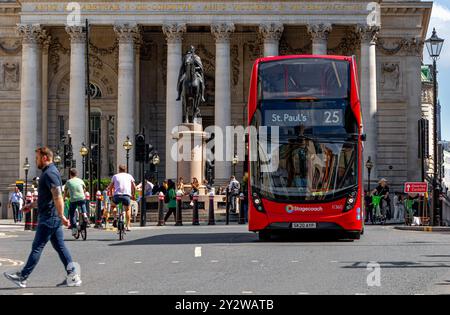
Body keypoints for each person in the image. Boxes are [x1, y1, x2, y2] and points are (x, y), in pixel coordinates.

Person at [4, 147, 81, 288]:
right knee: (60, 247)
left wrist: (61, 215)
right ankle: (73, 276)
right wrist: (32, 205)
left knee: (37, 247)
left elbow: (57, 196)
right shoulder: (48, 173)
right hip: (51, 216)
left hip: (49, 217)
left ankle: (23, 277)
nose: (36, 161)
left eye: (37, 158)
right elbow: (47, 198)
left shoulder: (50, 173)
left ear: (45, 157)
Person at [107, 165, 136, 232]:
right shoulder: (129, 176)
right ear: (125, 169)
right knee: (127, 210)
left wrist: (111, 194)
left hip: (117, 196)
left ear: (119, 169)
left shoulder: (115, 176)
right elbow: (134, 186)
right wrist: (133, 194)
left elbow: (110, 187)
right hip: (126, 196)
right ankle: (128, 226)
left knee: (112, 205)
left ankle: (115, 218)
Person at [64, 169, 88, 236]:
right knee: (83, 203)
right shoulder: (80, 180)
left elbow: (65, 192)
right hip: (81, 197)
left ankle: (74, 228)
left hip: (73, 199)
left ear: (70, 174)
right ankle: (85, 214)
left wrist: (63, 199)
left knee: (71, 214)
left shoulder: (68, 182)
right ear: (76, 174)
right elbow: (84, 189)